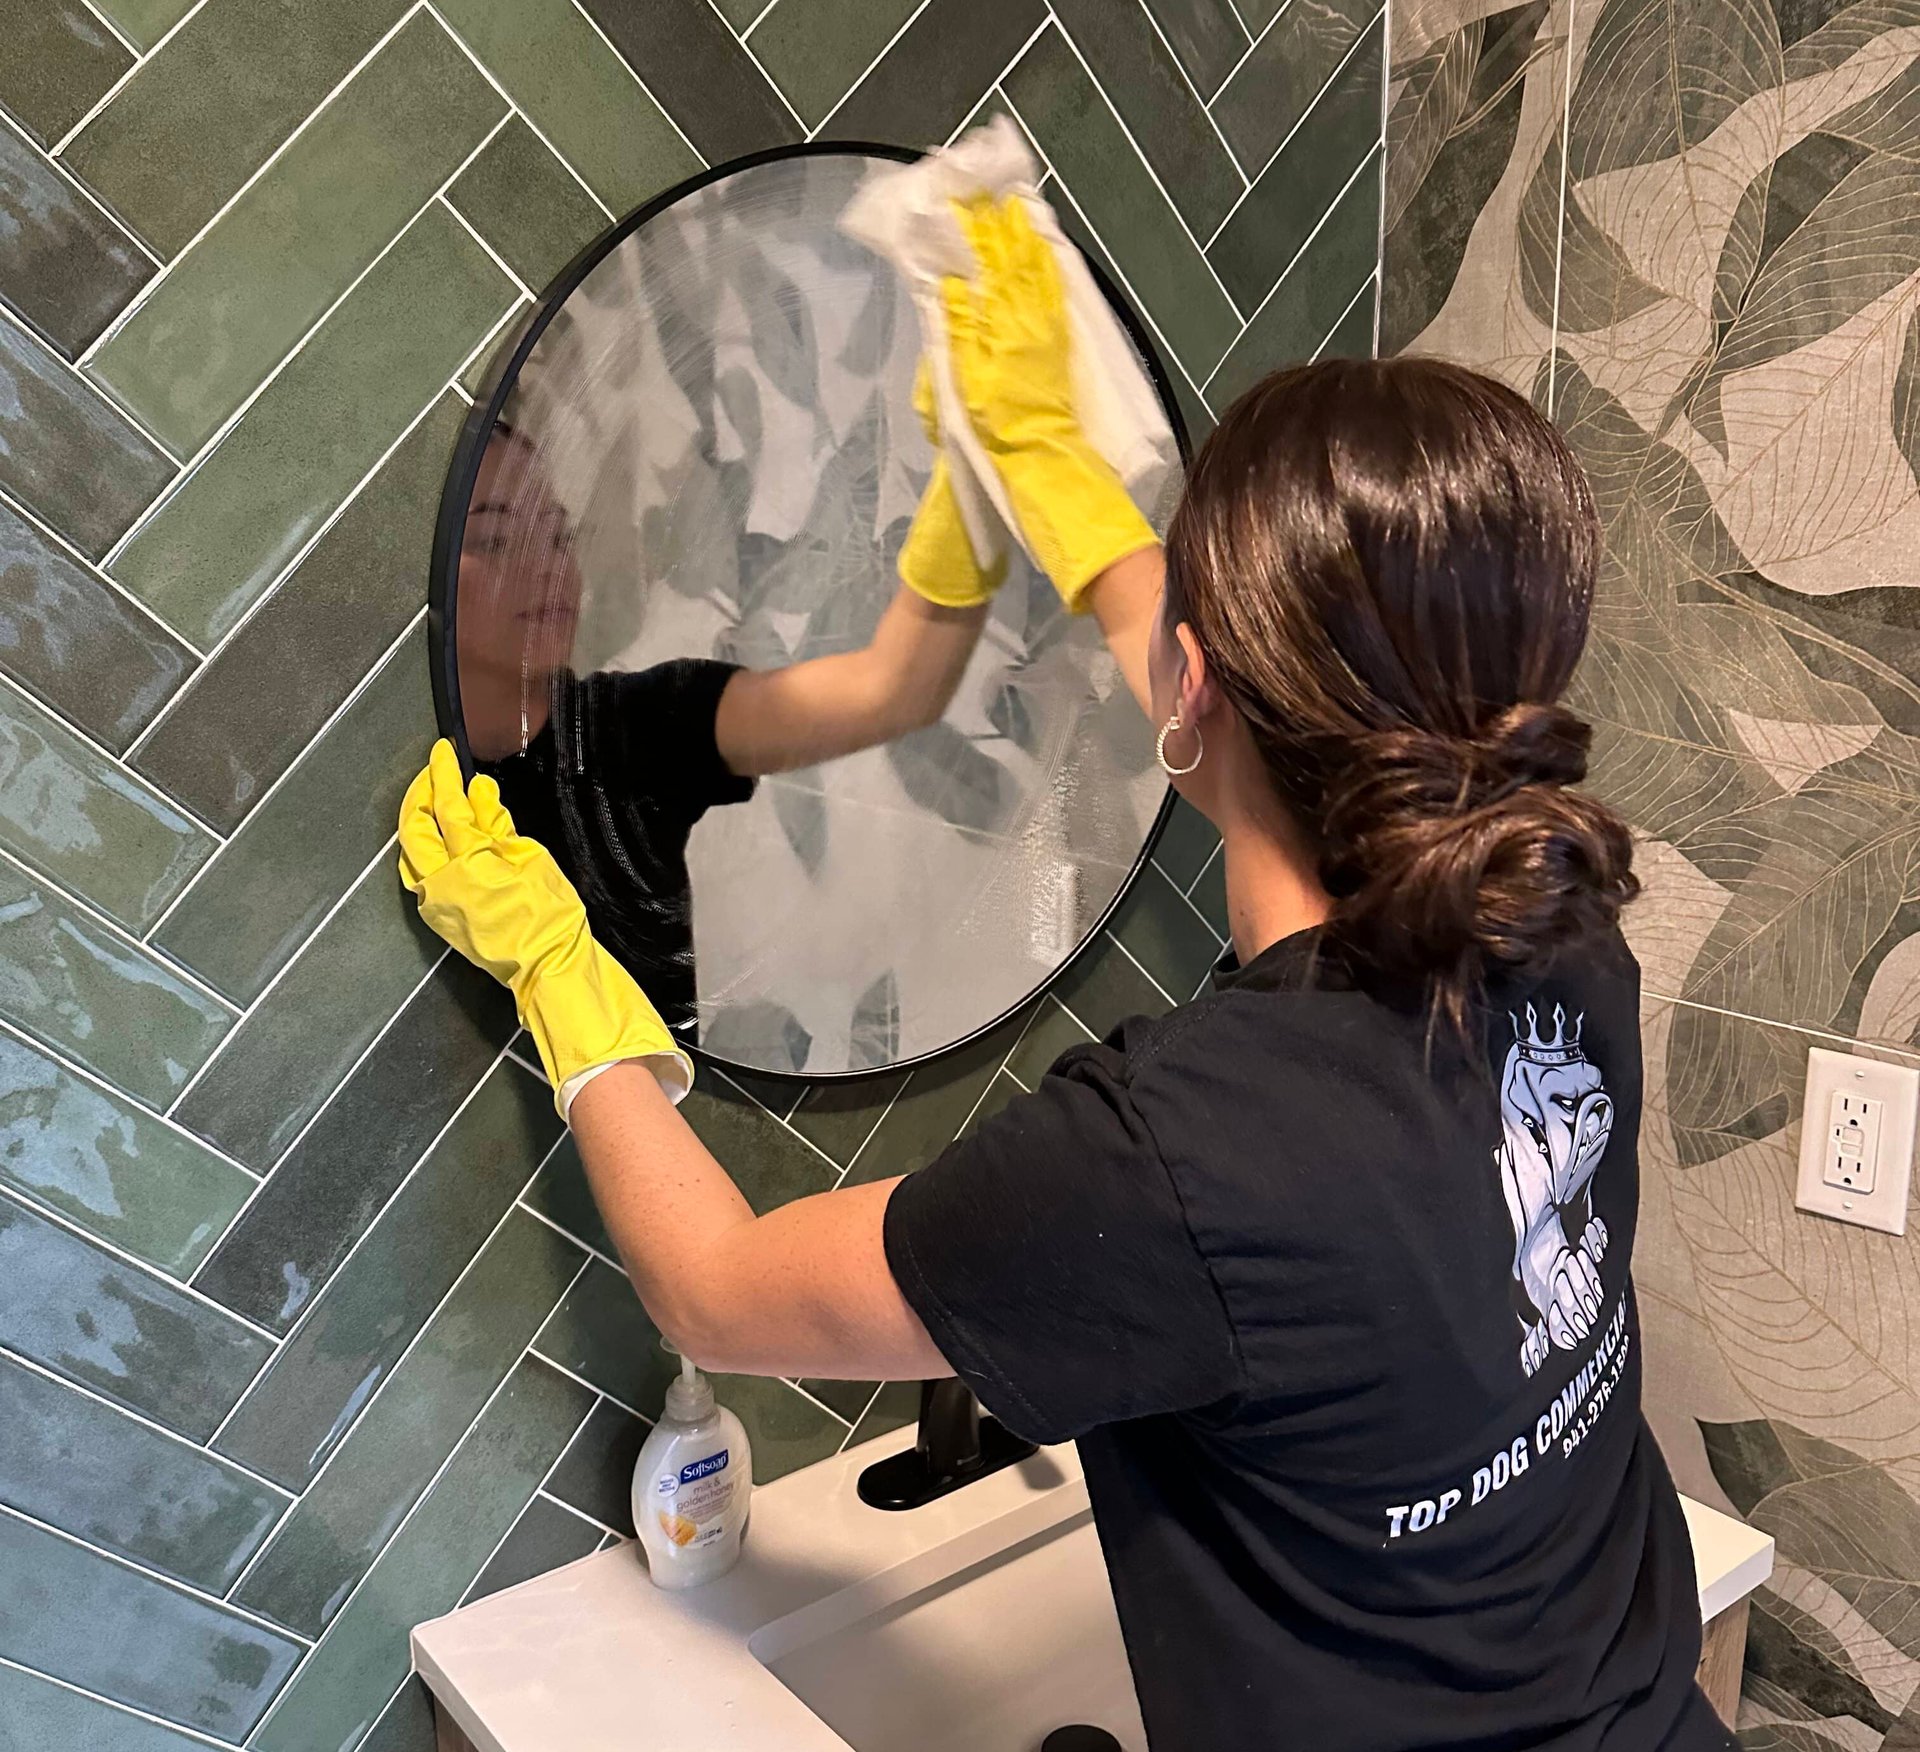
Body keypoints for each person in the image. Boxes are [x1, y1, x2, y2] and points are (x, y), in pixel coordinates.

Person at [400, 200, 1733, 1750]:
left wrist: (559, 971)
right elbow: (1226, 663)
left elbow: (715, 1292)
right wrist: (1043, 461)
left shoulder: (1174, 1164)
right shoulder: (1563, 923)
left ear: (1195, 684)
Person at [451, 408, 1000, 1033]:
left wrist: (984, 460)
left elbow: (892, 691)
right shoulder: (422, 812)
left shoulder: (637, 727)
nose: (547, 566)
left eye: (557, 537)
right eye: (494, 541)